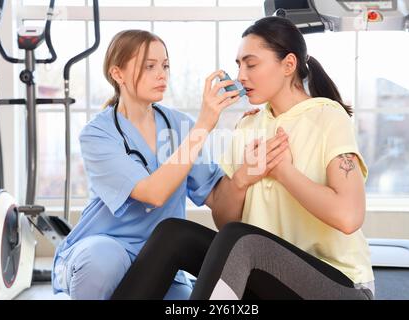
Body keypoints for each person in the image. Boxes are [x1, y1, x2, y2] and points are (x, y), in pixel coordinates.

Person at [111, 16, 375, 300]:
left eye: (251, 64)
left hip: (340, 288)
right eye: (239, 65)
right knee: (175, 234)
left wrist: (284, 172)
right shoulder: (248, 126)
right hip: (266, 279)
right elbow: (224, 222)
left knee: (242, 239)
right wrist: (241, 179)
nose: (241, 77)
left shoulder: (327, 117)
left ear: (288, 65)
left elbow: (349, 217)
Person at [51, 29, 289, 300]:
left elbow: (218, 200)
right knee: (104, 262)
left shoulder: (179, 126)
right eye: (149, 66)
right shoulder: (98, 134)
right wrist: (203, 125)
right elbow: (153, 192)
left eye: (164, 65)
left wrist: (243, 176)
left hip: (160, 257)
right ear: (118, 74)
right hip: (102, 250)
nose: (161, 74)